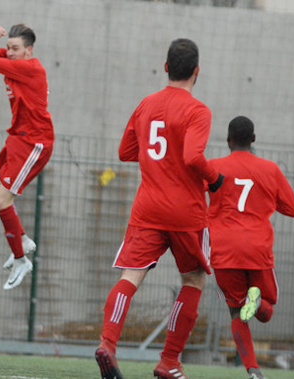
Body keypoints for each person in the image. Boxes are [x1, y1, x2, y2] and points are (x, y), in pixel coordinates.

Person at [94, 38, 225, 379]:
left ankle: (108, 344)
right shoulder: (198, 111)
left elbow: (126, 151)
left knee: (130, 277)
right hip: (186, 211)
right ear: (197, 72)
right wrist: (214, 179)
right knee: (193, 279)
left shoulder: (146, 104)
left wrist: (156, 159)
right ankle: (169, 362)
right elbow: (194, 157)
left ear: (166, 67)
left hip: (148, 208)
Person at [208, 116, 294, 379]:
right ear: (254, 139)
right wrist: (267, 200)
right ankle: (256, 302)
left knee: (236, 311)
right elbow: (292, 209)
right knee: (267, 310)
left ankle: (254, 371)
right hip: (257, 249)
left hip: (223, 250)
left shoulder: (214, 167)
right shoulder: (269, 169)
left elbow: (194, 193)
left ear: (228, 140)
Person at [0, 24, 55, 290]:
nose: (9, 53)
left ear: (29, 50)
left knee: (1, 202)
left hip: (34, 142)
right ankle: (21, 239)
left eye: (15, 48)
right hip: (17, 137)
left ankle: (22, 259)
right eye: (8, 47)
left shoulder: (30, 68)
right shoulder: (15, 61)